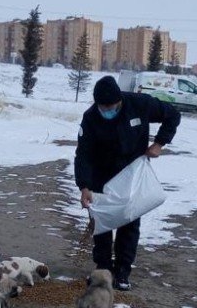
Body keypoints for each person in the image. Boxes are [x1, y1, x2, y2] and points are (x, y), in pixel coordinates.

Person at [74, 75, 181, 291]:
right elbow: (83, 154)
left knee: (129, 224)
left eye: (111, 107)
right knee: (101, 224)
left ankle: (123, 271)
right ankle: (103, 269)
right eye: (103, 107)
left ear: (120, 100)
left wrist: (159, 143)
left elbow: (173, 115)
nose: (107, 111)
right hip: (101, 178)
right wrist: (84, 186)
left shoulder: (139, 104)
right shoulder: (91, 118)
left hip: (131, 177)